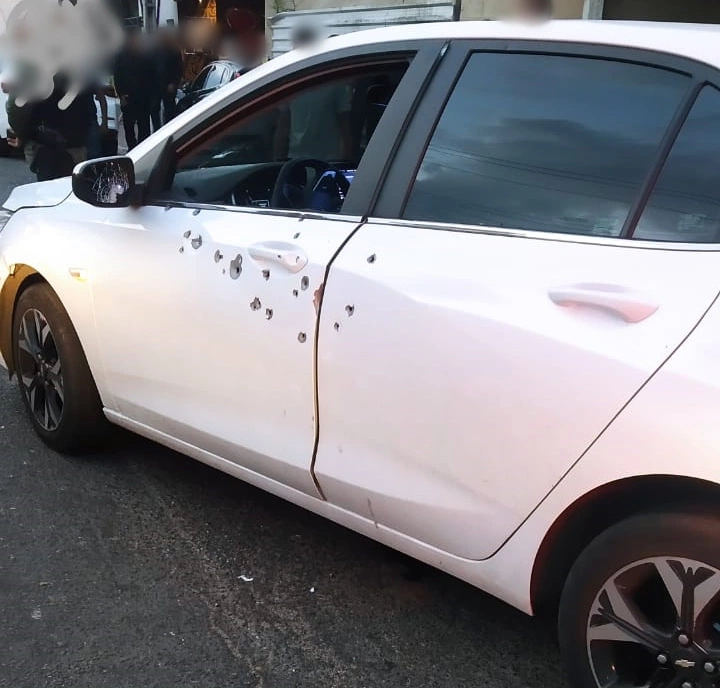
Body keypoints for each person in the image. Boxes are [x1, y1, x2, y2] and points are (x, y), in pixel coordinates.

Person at [274, 24, 353, 162]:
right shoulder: (334, 82)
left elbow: (283, 125)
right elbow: (345, 123)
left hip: (302, 158)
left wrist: (276, 156)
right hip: (326, 159)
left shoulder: (290, 83)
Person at [7, 74, 96, 181]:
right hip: (74, 141)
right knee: (72, 187)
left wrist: (22, 134)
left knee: (48, 188)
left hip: (44, 141)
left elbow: (15, 107)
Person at [114, 28, 155, 149]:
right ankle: (132, 147)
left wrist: (150, 93)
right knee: (129, 124)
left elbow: (150, 75)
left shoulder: (145, 56)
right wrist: (121, 94)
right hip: (128, 96)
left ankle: (142, 147)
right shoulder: (122, 56)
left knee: (143, 124)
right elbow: (118, 76)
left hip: (143, 96)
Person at [153, 26, 184, 128]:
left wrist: (173, 83)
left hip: (169, 85)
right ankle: (157, 129)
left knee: (169, 108)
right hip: (156, 85)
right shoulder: (155, 51)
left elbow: (178, 69)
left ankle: (170, 127)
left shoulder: (174, 51)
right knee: (154, 109)